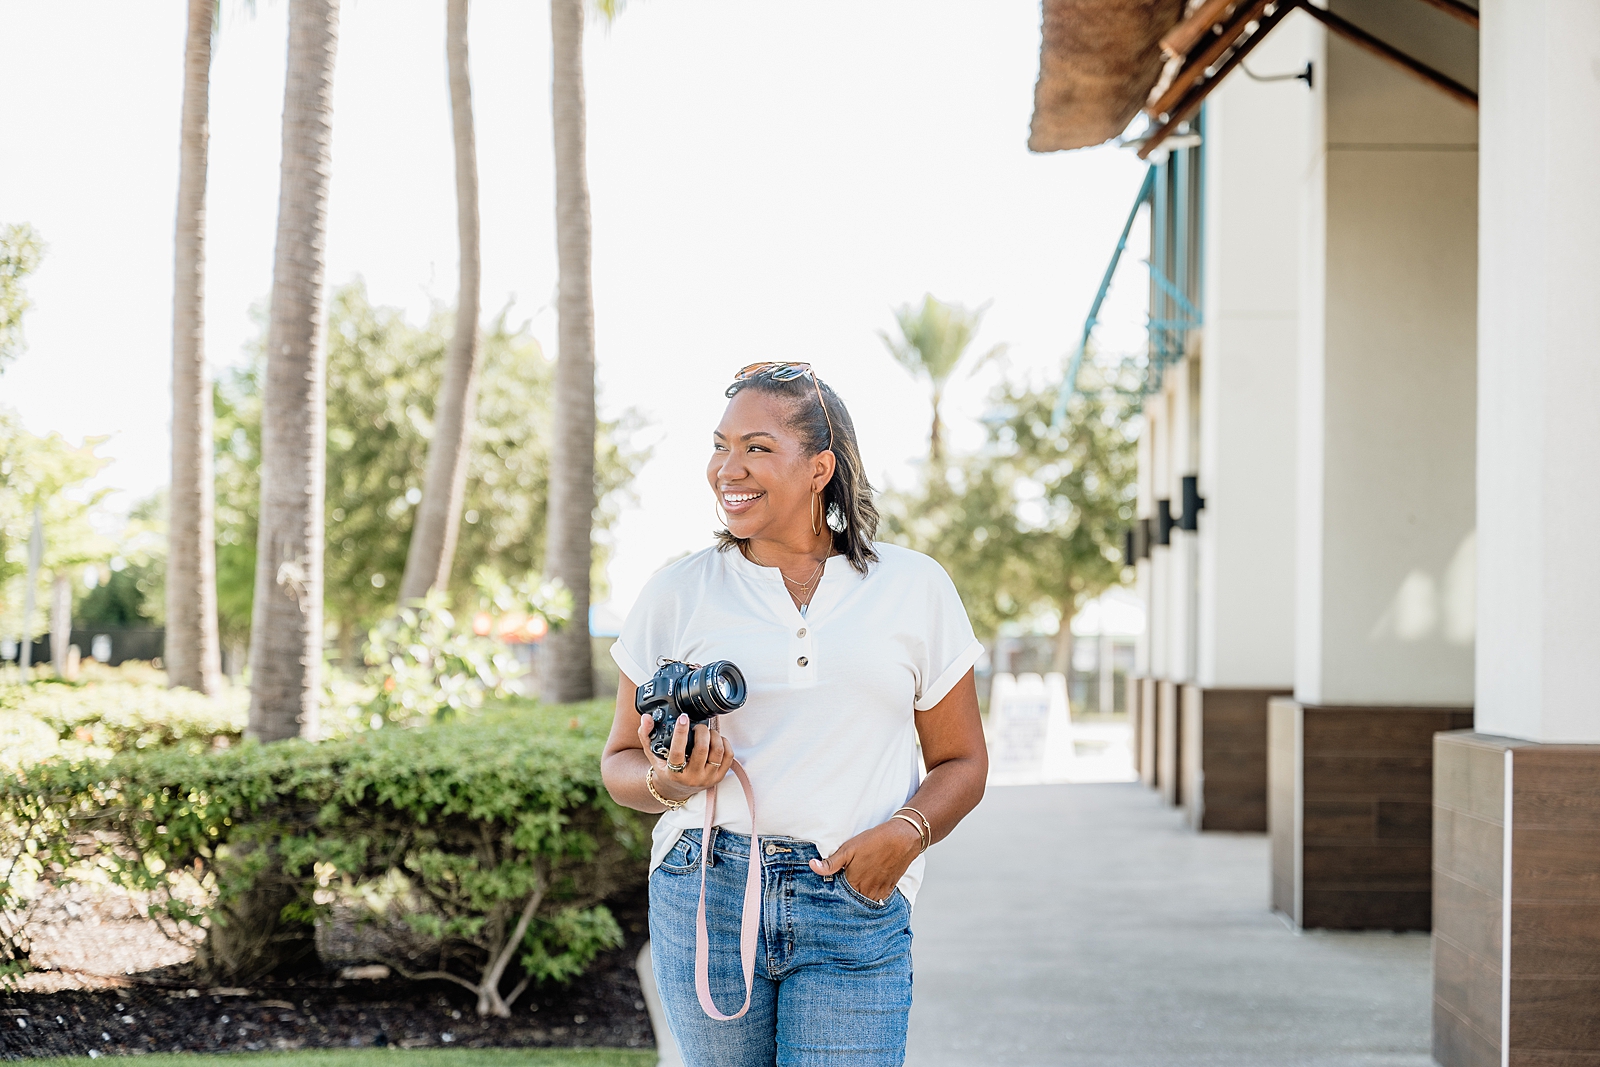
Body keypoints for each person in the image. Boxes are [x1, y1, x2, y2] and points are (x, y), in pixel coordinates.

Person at [600, 362, 988, 1066]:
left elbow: (963, 761)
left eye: (756, 447)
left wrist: (905, 835)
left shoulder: (914, 587)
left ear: (820, 467)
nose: (728, 468)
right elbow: (620, 762)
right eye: (719, 445)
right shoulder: (676, 592)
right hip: (705, 895)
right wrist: (673, 782)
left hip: (853, 895)